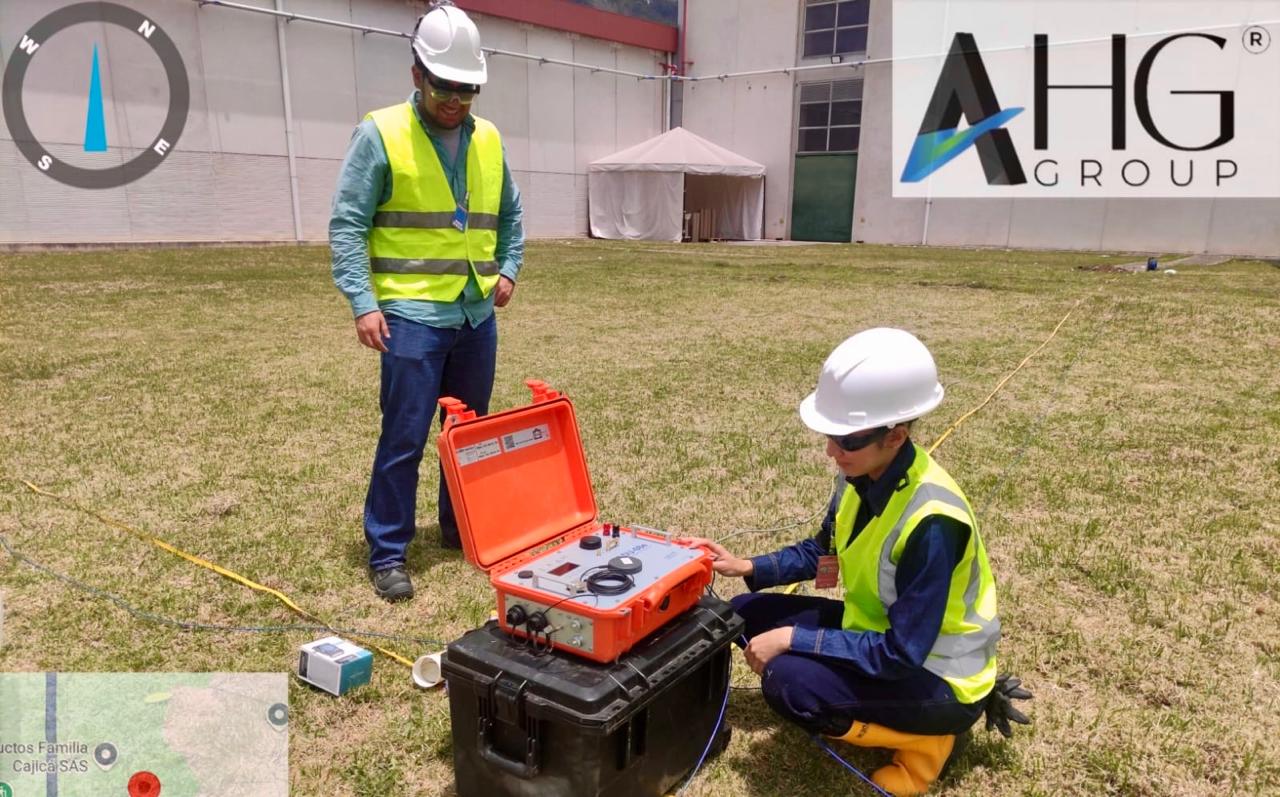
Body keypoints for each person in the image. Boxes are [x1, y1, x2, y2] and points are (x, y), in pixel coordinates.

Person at [684, 328, 1029, 796]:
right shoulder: (861, 476)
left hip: (936, 676)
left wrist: (794, 639)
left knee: (788, 683)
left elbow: (903, 655)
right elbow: (821, 551)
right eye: (829, 435)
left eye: (845, 440)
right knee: (744, 616)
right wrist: (746, 566)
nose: (831, 450)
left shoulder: (933, 523)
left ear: (896, 436)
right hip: (878, 634)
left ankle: (933, 739)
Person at [330, 1, 524, 602]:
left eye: (468, 89)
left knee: (464, 435)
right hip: (411, 318)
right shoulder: (380, 132)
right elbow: (346, 225)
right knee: (405, 437)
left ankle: (455, 528)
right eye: (445, 85)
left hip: (475, 316)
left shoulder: (487, 137)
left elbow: (511, 214)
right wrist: (364, 302)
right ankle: (388, 550)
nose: (456, 100)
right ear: (417, 73)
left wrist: (509, 267)